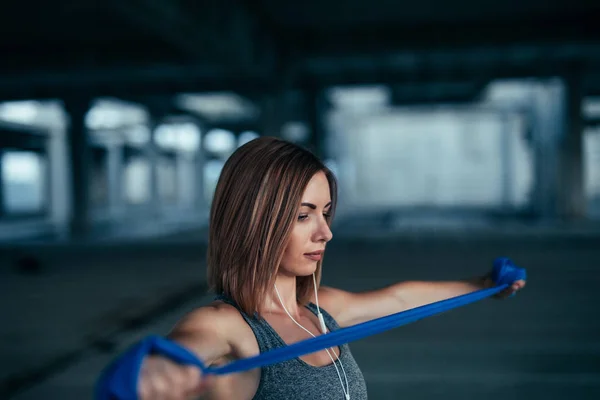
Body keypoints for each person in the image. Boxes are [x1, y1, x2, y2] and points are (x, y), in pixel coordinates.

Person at [135, 136, 526, 400]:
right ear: (255, 220)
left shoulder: (321, 313)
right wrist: (157, 369)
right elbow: (182, 350)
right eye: (304, 216)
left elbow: (400, 297)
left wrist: (484, 283)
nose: (326, 233)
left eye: (325, 213)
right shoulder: (227, 327)